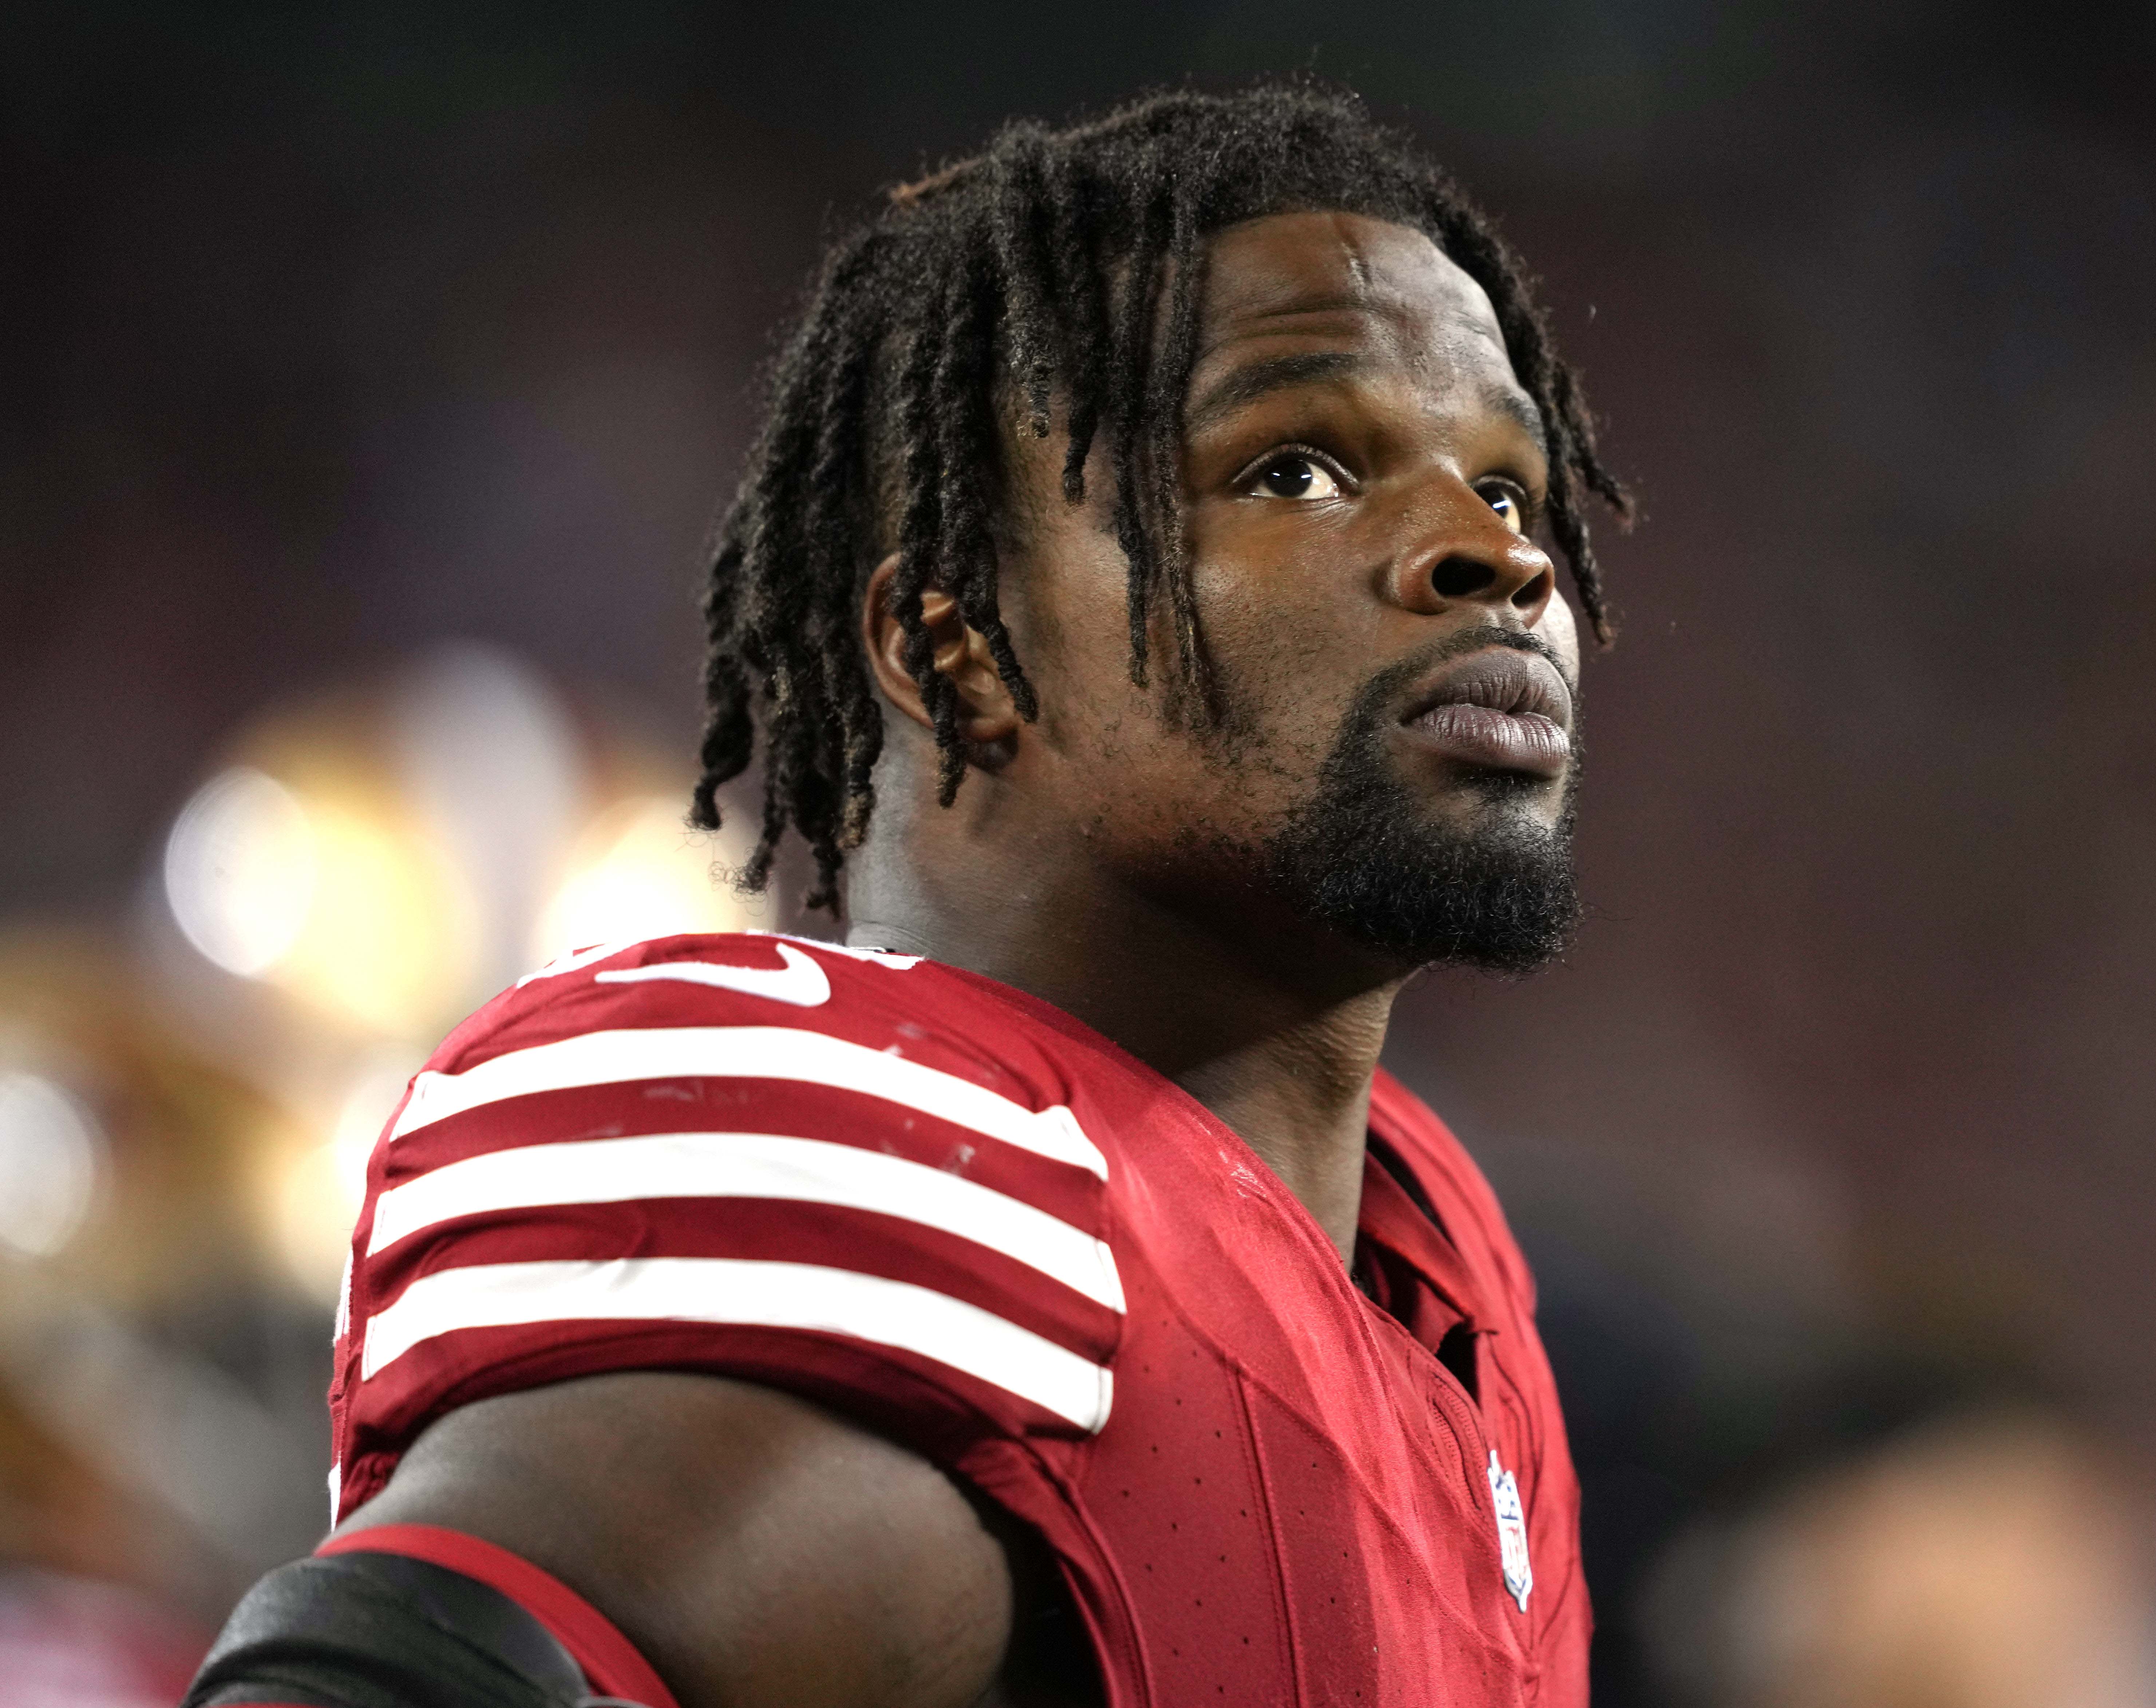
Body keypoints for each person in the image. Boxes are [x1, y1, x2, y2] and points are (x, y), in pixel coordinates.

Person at [185, 81, 1629, 1708]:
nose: (1496, 556)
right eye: (1294, 469)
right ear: (958, 653)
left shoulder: (1435, 1269)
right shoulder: (933, 1202)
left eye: (1509, 488)